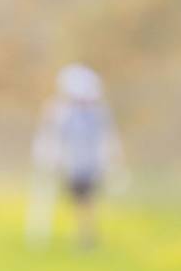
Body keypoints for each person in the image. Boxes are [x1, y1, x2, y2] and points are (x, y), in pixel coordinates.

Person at [26, 63, 123, 248]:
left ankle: (85, 234)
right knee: (76, 200)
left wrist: (111, 161)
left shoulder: (97, 113)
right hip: (68, 164)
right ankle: (81, 233)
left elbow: (106, 138)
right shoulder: (59, 112)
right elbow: (49, 138)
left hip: (88, 165)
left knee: (85, 200)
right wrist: (47, 158)